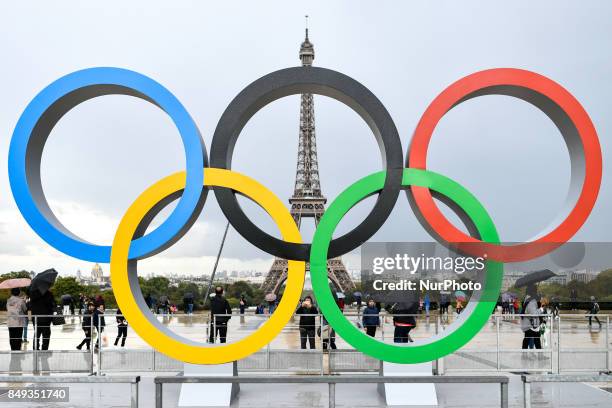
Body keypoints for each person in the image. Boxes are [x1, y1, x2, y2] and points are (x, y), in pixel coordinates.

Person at [520, 285, 542, 349]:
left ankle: (524, 355)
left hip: (529, 323)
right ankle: (539, 356)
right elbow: (534, 313)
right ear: (533, 292)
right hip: (531, 324)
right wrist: (541, 308)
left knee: (528, 340)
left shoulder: (528, 299)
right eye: (536, 291)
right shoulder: (531, 301)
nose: (536, 292)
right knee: (535, 340)